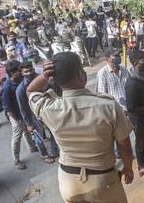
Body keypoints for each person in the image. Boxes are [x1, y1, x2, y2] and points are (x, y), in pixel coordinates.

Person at [26, 52, 134, 202]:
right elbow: (124, 144)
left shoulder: (49, 108)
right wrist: (128, 168)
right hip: (103, 181)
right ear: (82, 75)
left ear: (55, 80)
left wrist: (45, 76)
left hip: (68, 181)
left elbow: (31, 91)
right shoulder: (108, 106)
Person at [16, 61, 59, 164]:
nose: (29, 73)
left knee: (53, 131)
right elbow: (23, 108)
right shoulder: (20, 89)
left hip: (46, 110)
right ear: (21, 73)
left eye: (30, 70)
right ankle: (44, 154)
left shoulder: (42, 79)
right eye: (26, 71)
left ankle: (54, 150)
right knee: (38, 136)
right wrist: (28, 124)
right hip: (33, 115)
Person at [1, 60, 37, 170]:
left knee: (27, 130)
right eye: (19, 71)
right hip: (15, 115)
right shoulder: (7, 87)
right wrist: (16, 119)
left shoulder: (20, 81)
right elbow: (7, 107)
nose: (21, 72)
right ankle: (16, 160)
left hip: (23, 112)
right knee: (17, 137)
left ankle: (31, 147)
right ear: (12, 73)